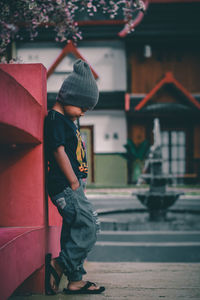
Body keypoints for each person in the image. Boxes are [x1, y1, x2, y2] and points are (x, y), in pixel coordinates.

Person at [44, 59, 105, 295]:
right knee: (89, 227)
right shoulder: (55, 120)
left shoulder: (68, 120)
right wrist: (73, 182)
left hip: (73, 186)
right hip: (66, 185)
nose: (83, 113)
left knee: (74, 230)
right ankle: (60, 264)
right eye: (83, 108)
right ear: (70, 97)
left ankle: (75, 280)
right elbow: (57, 150)